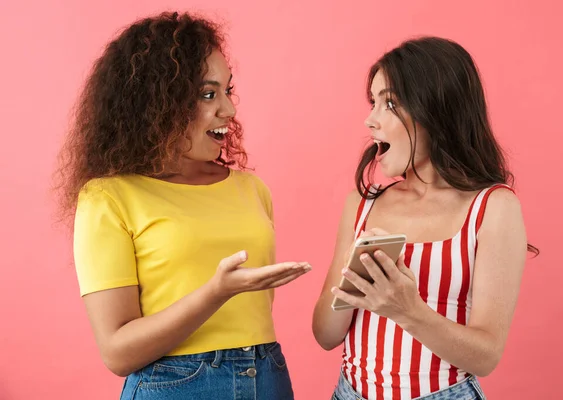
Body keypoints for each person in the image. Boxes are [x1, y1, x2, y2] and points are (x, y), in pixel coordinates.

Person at [55, 11, 310, 400]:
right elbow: (117, 352)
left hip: (268, 374)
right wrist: (216, 292)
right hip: (174, 386)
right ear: (157, 103)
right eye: (208, 94)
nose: (228, 109)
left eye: (228, 90)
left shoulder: (251, 189)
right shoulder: (108, 198)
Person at [312, 36, 537, 400]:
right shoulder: (362, 204)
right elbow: (325, 335)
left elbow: (486, 356)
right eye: (373, 102)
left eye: (390, 103)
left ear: (435, 110)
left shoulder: (493, 207)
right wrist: (354, 284)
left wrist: (407, 310)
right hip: (349, 392)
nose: (370, 120)